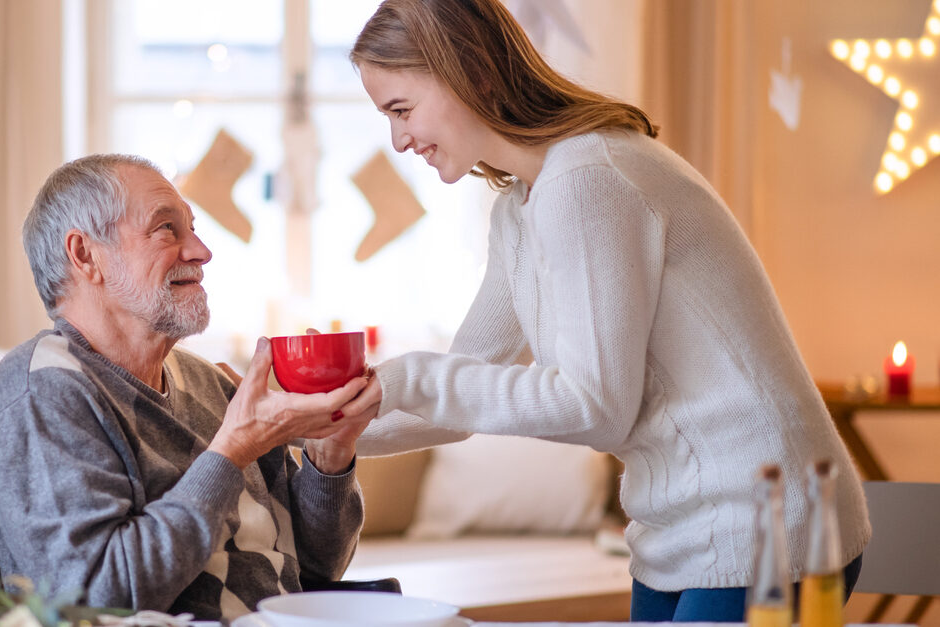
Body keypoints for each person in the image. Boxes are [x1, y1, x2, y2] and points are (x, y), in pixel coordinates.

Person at [342, 0, 871, 621]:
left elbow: (593, 406)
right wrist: (314, 431)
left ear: (470, 73)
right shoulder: (520, 208)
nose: (399, 140)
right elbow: (461, 391)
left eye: (401, 110)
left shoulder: (588, 177)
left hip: (765, 521)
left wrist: (403, 378)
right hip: (676, 531)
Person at [0, 154, 372, 622]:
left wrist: (330, 456)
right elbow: (93, 600)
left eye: (193, 229)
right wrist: (231, 451)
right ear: (84, 255)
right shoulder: (43, 392)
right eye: (166, 229)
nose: (201, 251)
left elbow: (317, 568)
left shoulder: (207, 382)